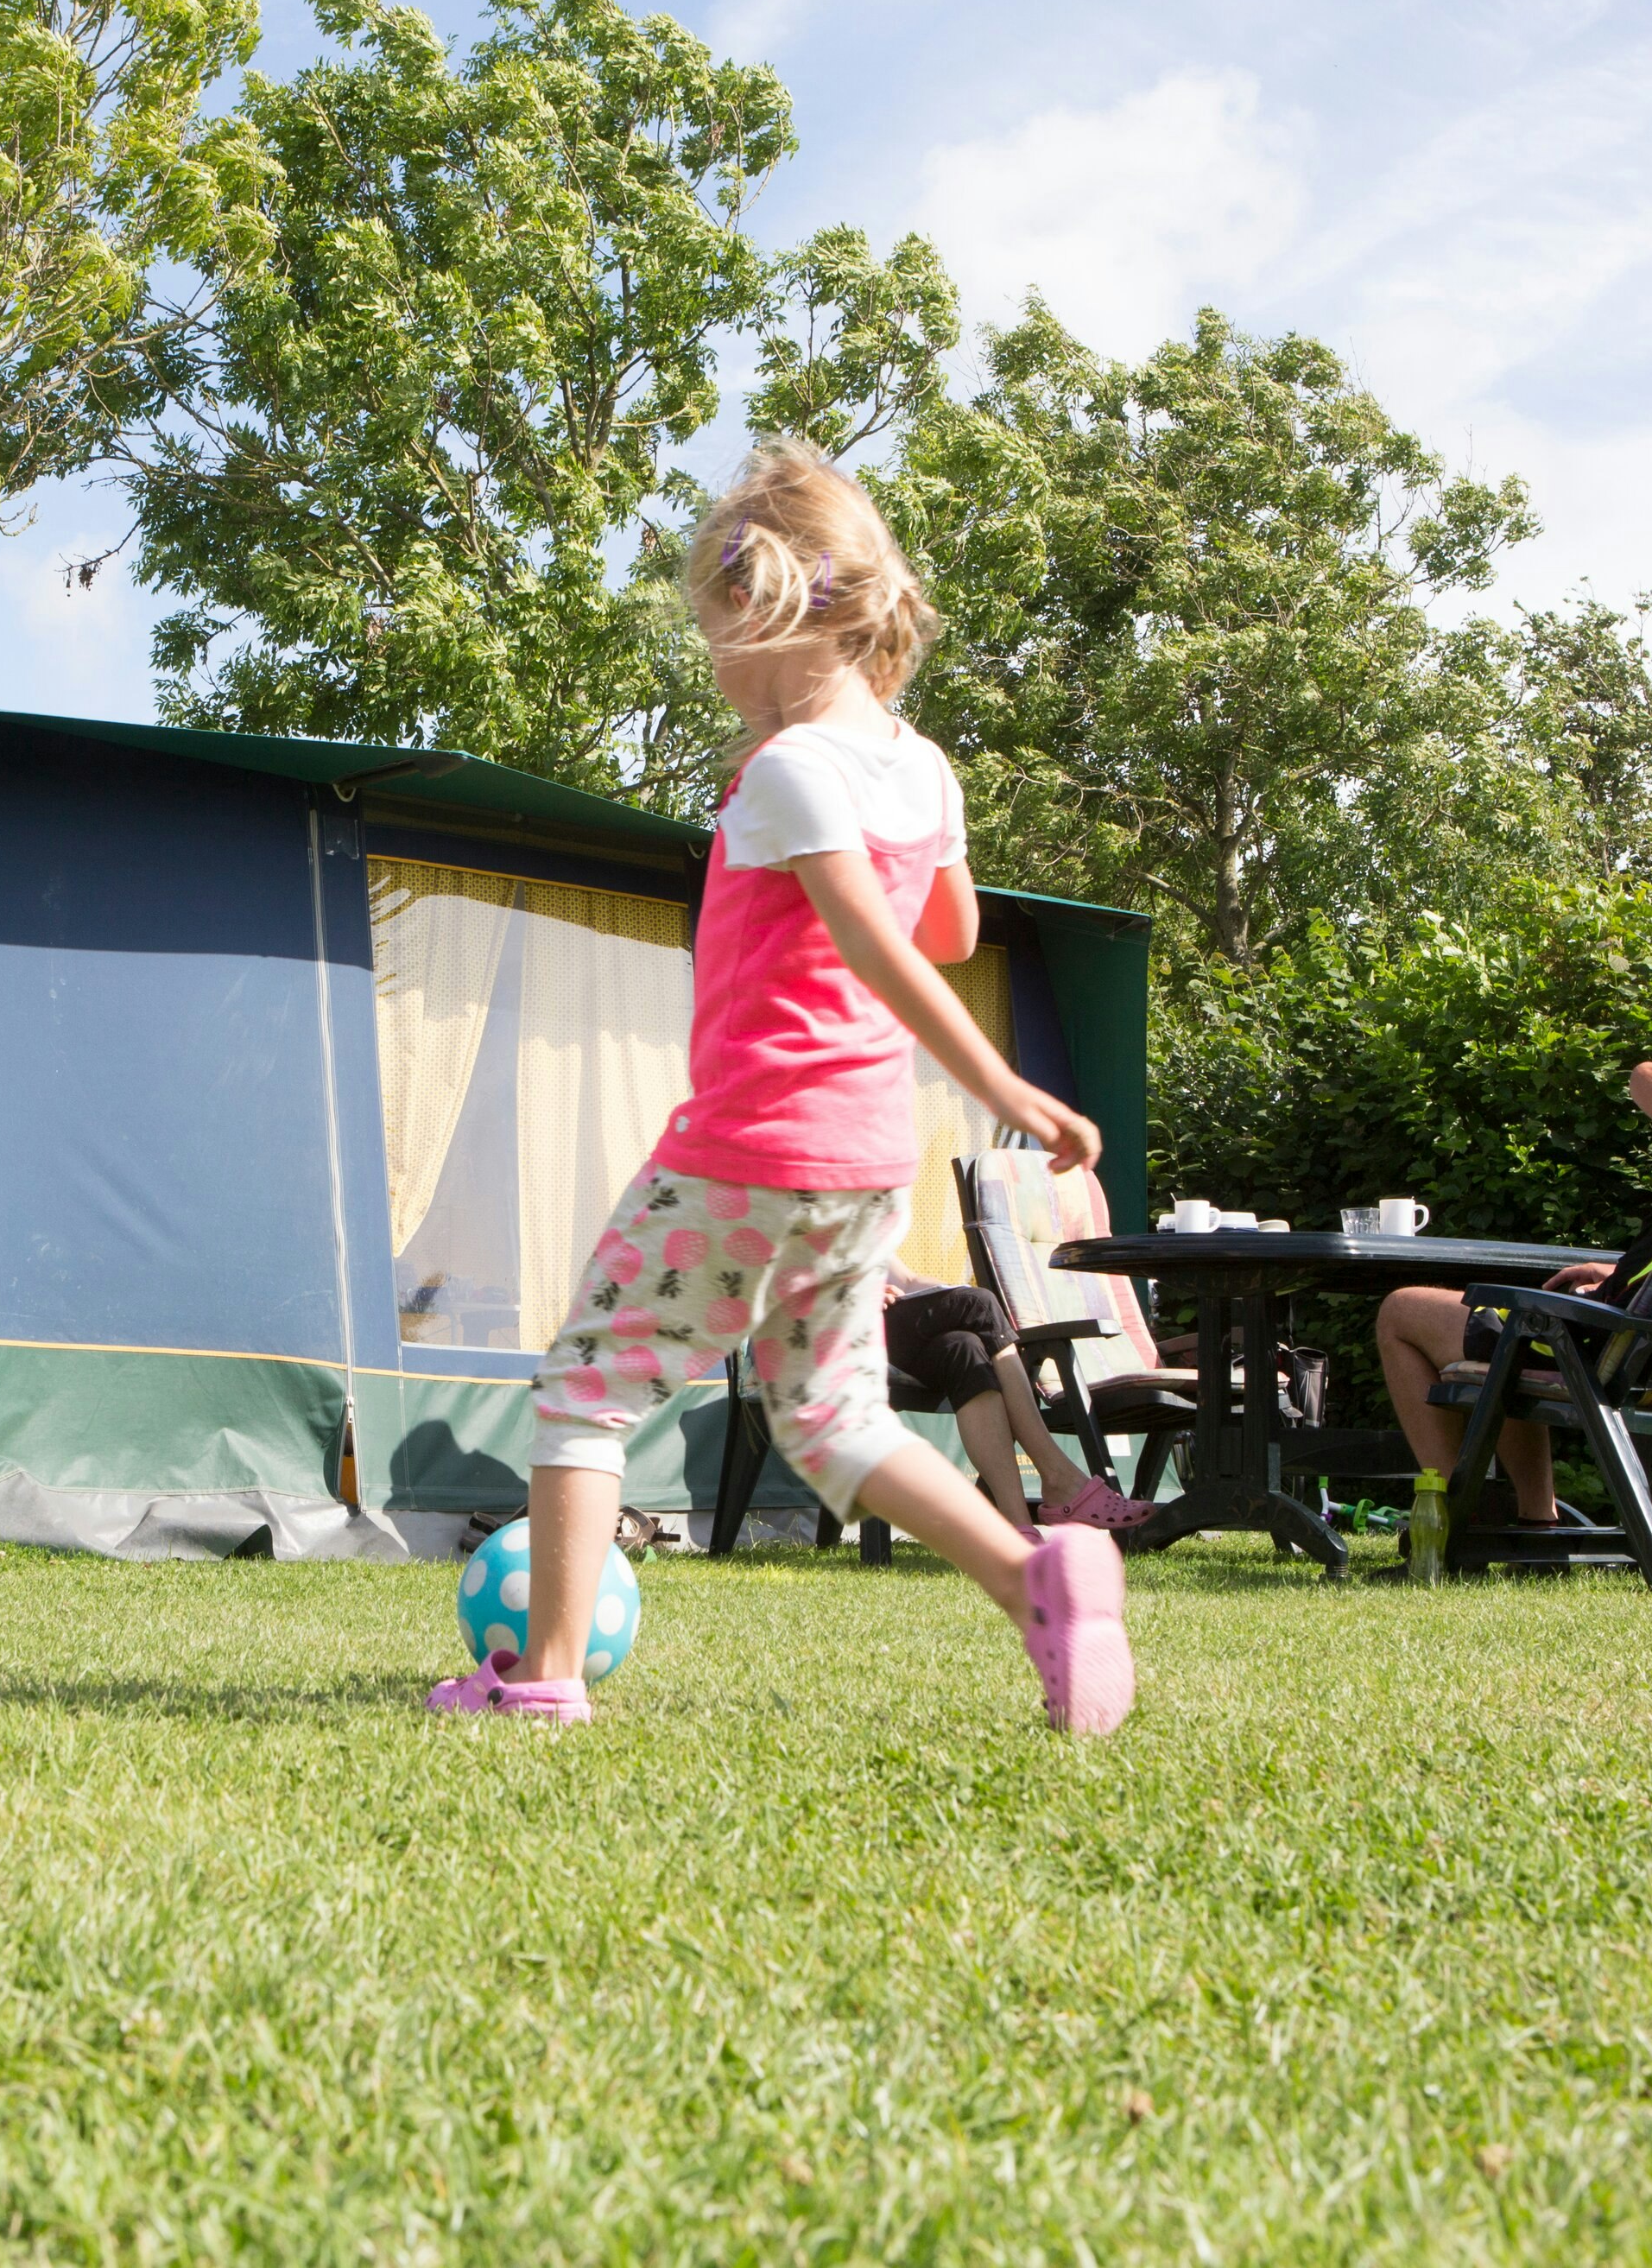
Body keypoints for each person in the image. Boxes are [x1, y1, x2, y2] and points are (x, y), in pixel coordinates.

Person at [427, 441, 1135, 1731]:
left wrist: (1000, 1081)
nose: (716, 670)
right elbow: (953, 931)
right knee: (832, 1417)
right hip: (865, 1151)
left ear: (777, 614)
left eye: (719, 638)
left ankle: (545, 1678)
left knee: (589, 1383)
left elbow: (876, 936)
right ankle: (1030, 1573)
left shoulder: (789, 771)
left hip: (752, 1135)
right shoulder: (919, 768)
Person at [1369, 981, 1652, 1527]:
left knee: (1405, 1311)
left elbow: (1644, 1074)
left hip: (1631, 1351)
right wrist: (1626, 1272)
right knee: (1510, 1333)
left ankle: (1459, 1520)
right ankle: (1535, 1520)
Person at [877, 1264, 1160, 1543]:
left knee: (964, 1348)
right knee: (980, 1303)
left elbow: (908, 1279)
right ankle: (1058, 1477)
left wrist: (949, 1296)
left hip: (885, 1320)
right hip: (844, 1328)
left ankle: (1017, 1526)